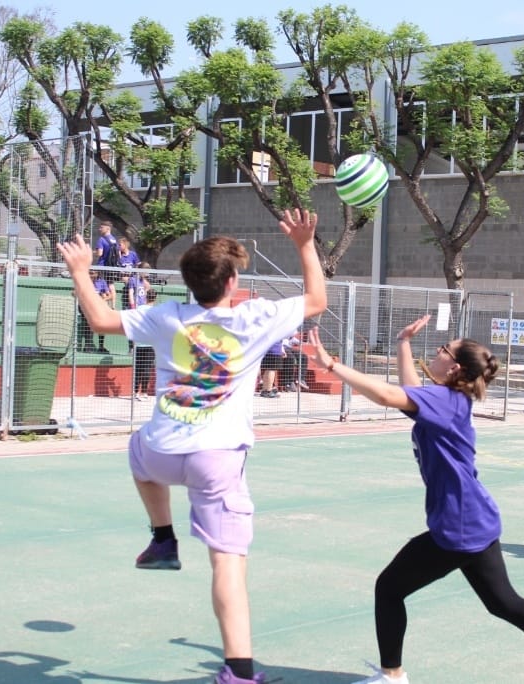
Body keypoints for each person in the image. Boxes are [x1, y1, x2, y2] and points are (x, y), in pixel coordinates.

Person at [57, 208, 326, 684]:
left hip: (162, 450)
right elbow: (316, 301)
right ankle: (239, 673)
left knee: (137, 450)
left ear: (190, 282)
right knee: (227, 564)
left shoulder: (165, 316)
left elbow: (99, 320)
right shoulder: (254, 317)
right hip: (217, 458)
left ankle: (162, 538)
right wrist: (305, 244)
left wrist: (81, 271)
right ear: (232, 283)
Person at [307, 316, 524, 684]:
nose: (437, 351)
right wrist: (403, 342)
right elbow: (409, 393)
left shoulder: (445, 400)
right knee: (503, 602)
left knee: (388, 588)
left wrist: (333, 365)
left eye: (443, 349)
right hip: (475, 517)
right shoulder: (450, 399)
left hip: (458, 525)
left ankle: (392, 676)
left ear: (455, 366)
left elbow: (389, 395)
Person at [133, 289, 158, 401]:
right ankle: (143, 393)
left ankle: (135, 393)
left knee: (138, 368)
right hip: (150, 343)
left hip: (139, 342)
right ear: (155, 298)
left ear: (146, 297)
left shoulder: (139, 308)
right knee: (147, 368)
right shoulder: (156, 311)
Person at [91, 270, 114, 354]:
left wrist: (102, 299)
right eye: (90, 273)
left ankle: (101, 346)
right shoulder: (87, 282)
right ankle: (88, 345)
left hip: (99, 308)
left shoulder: (101, 282)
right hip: (89, 308)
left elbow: (110, 295)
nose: (91, 275)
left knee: (102, 326)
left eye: (93, 273)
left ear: (97, 274)